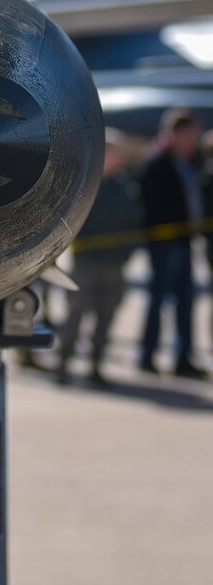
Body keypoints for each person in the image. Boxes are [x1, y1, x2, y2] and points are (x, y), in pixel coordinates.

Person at [56, 130, 140, 385]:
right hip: (86, 263)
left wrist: (126, 254)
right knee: (76, 315)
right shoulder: (85, 183)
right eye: (112, 151)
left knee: (106, 317)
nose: (117, 157)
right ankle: (64, 363)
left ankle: (96, 365)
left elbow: (134, 223)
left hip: (114, 264)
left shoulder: (125, 187)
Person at [137, 109, 207, 379]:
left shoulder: (188, 161)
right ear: (176, 133)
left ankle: (183, 358)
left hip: (185, 242)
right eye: (191, 134)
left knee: (186, 302)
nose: (194, 140)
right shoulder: (156, 162)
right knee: (158, 300)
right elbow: (149, 205)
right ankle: (147, 355)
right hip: (165, 243)